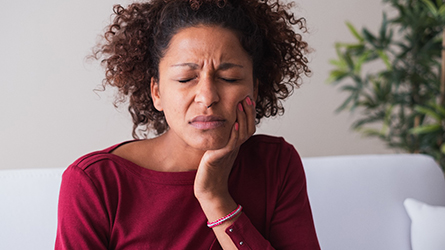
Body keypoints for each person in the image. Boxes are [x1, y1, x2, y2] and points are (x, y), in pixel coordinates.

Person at [55, 0, 320, 249]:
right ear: (156, 93)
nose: (207, 97)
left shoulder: (275, 164)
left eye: (229, 78)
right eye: (185, 79)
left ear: (255, 90)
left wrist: (215, 197)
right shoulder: (95, 183)